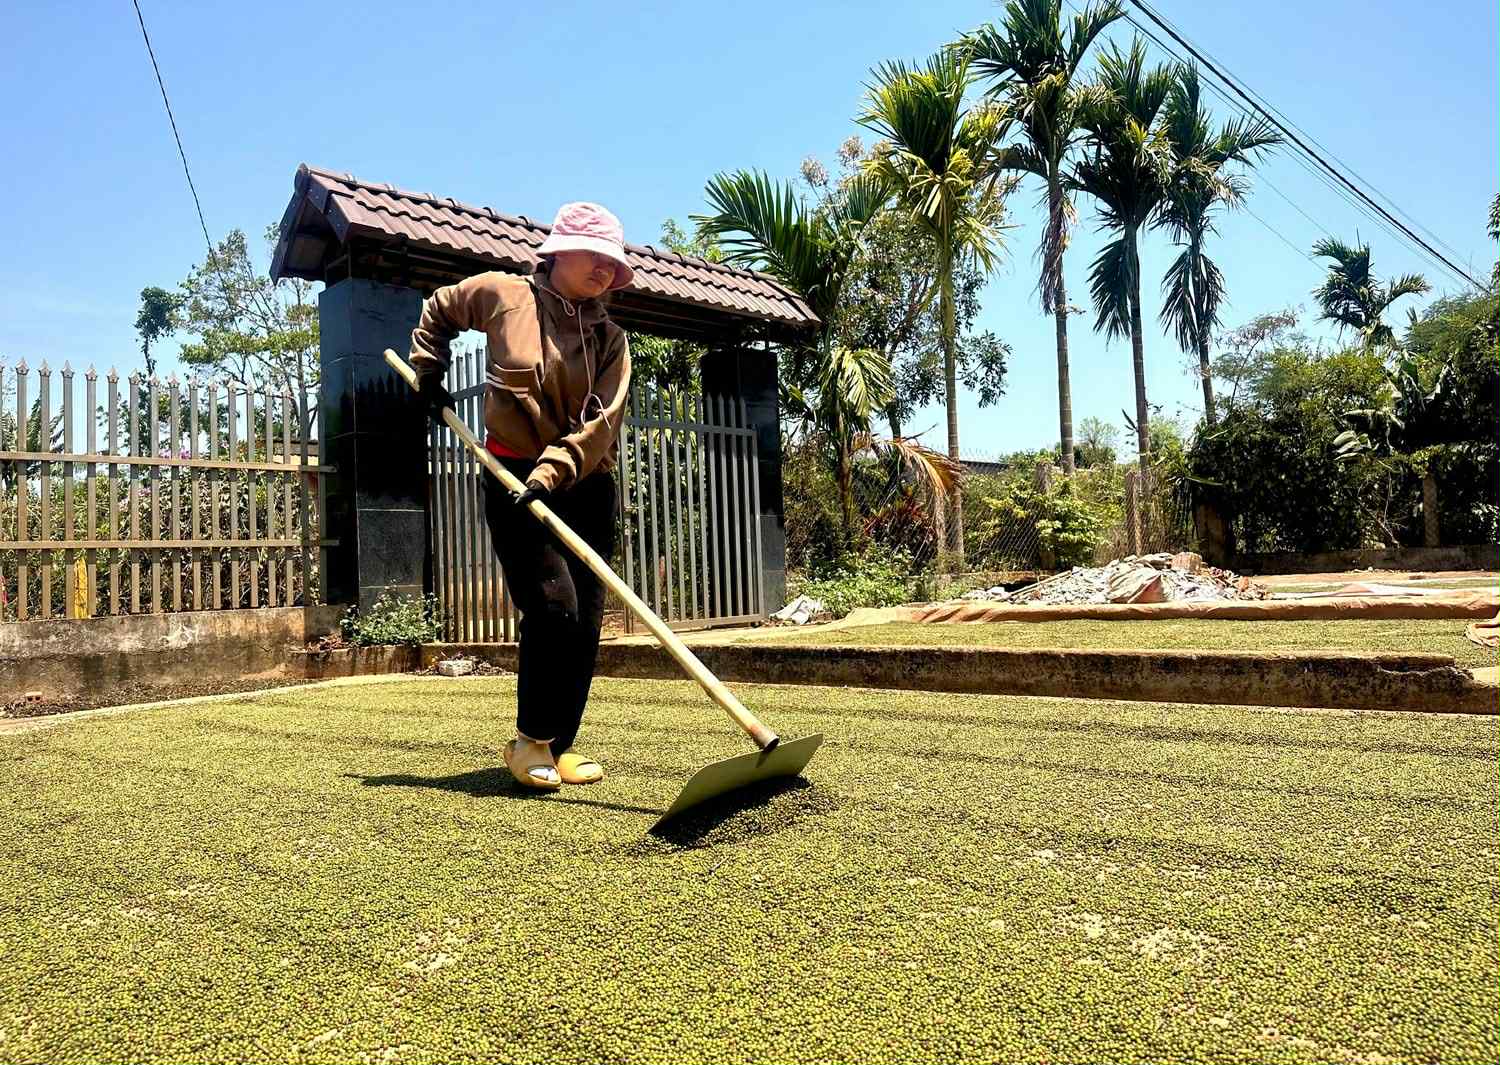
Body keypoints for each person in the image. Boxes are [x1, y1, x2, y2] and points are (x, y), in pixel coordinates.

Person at [408, 202, 633, 791]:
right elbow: (439, 309)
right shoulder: (503, 296)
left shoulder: (611, 339)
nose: (607, 271)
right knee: (553, 606)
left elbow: (602, 421)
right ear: (559, 251)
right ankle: (529, 740)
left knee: (585, 621)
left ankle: (560, 746)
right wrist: (428, 371)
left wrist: (554, 471)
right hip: (511, 475)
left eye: (615, 263)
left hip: (584, 481)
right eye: (597, 257)